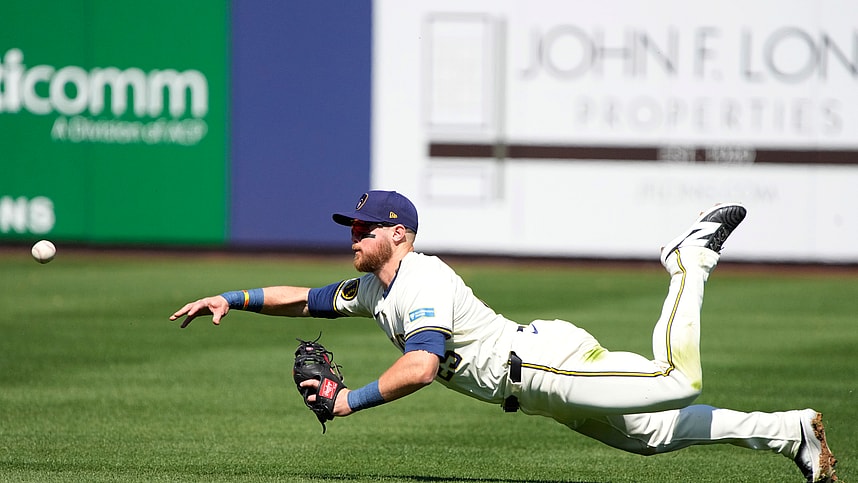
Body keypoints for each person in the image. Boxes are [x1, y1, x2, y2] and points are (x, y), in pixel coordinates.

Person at [170, 190, 838, 483]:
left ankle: (689, 257)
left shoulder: (423, 280)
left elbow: (422, 366)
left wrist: (347, 402)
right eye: (352, 225)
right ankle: (792, 434)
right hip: (536, 384)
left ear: (398, 233)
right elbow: (305, 299)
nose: (354, 234)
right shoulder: (378, 286)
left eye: (365, 227)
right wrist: (228, 297)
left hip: (546, 365)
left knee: (678, 380)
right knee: (655, 434)